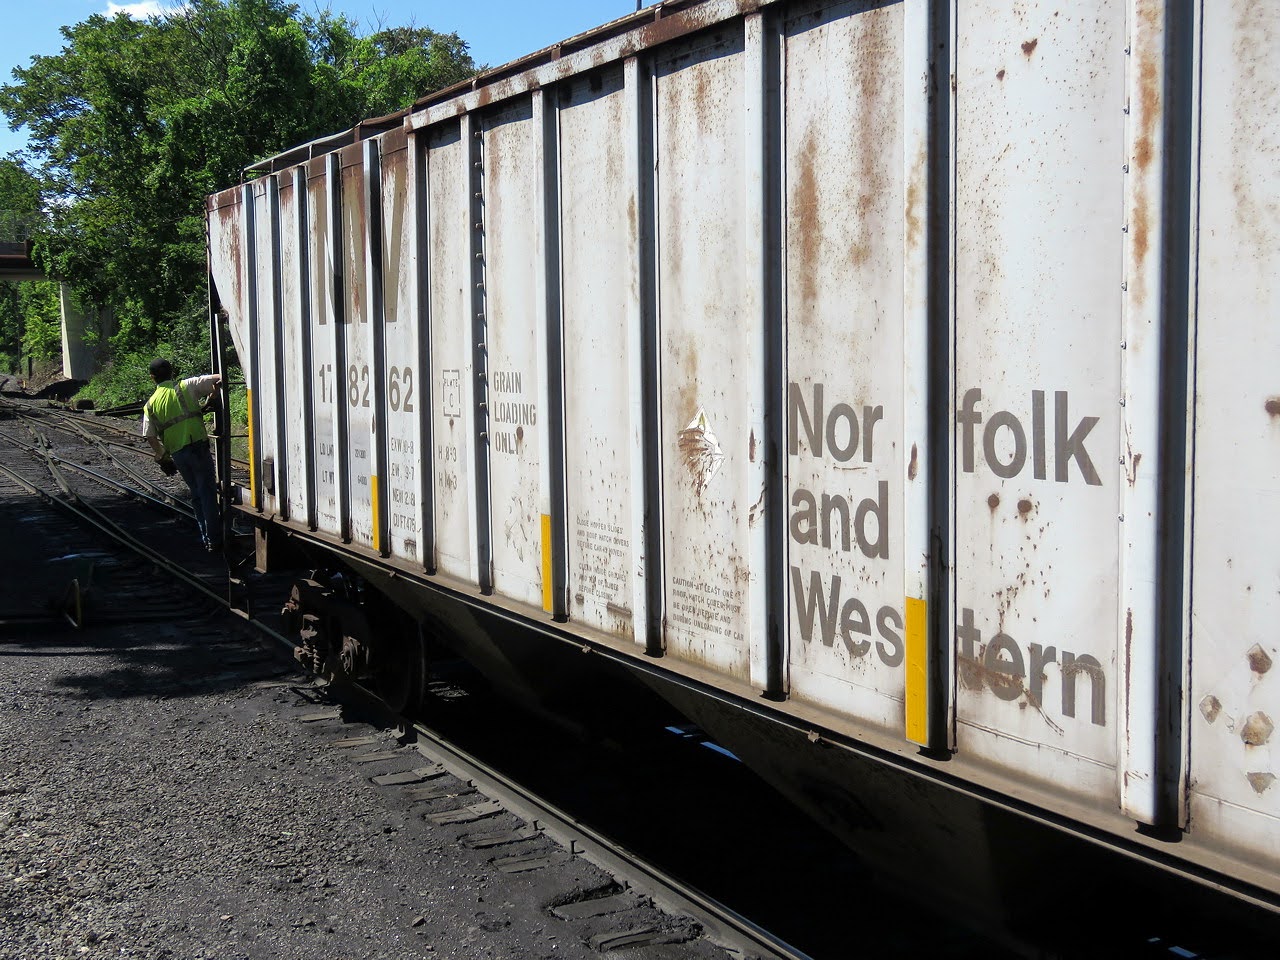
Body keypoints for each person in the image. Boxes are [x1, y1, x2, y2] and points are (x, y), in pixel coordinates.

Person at [142, 358, 223, 552]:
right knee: (207, 492)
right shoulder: (186, 386)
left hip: (178, 453)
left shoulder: (150, 404)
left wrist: (162, 455)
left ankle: (207, 538)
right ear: (172, 372)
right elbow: (219, 378)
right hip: (197, 446)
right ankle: (215, 539)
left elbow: (150, 435)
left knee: (196, 494)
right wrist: (214, 393)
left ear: (152, 377)